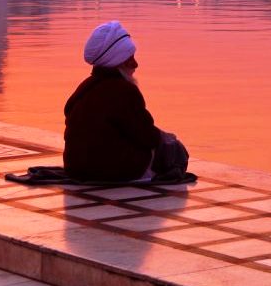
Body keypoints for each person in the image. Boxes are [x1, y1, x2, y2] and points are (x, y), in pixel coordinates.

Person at [63, 21, 186, 182]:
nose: (135, 64)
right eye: (130, 59)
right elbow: (147, 136)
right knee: (175, 150)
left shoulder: (85, 87)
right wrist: (168, 140)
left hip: (75, 169)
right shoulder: (124, 91)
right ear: (118, 62)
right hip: (107, 171)